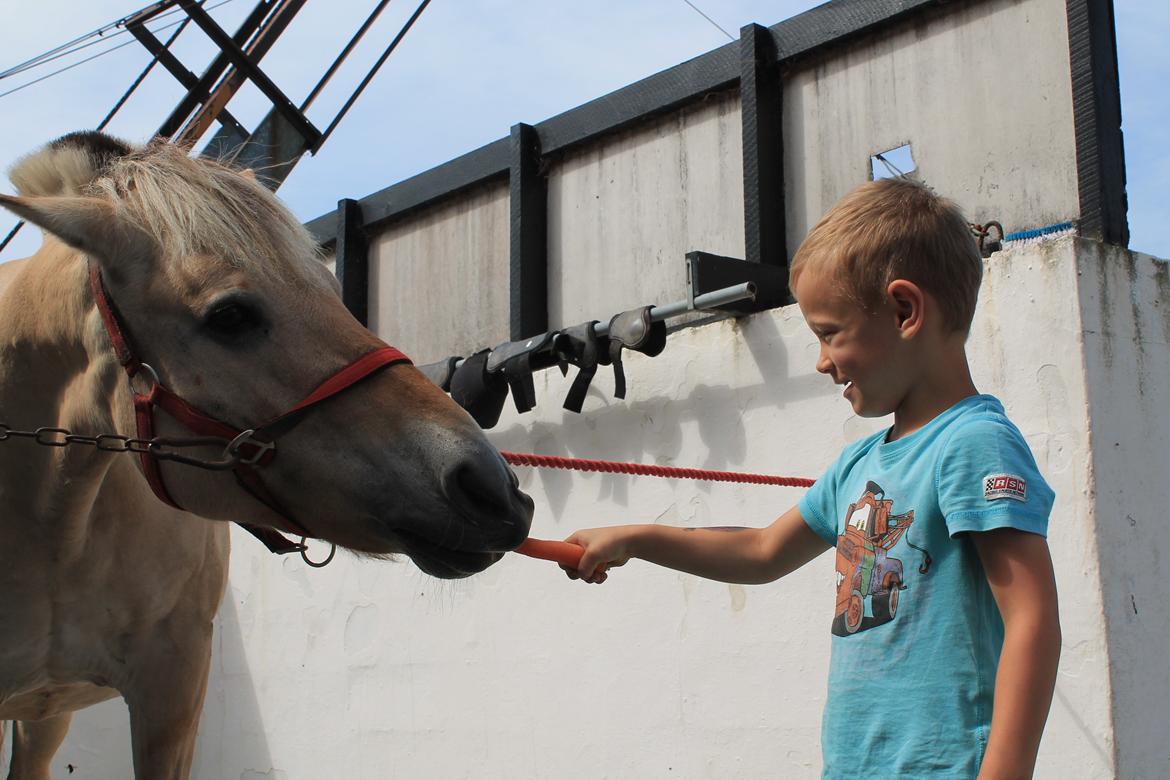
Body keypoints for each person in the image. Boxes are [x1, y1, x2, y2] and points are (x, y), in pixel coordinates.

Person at [564, 177, 1061, 779]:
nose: (821, 360)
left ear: (905, 311)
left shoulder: (972, 445)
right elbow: (762, 550)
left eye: (829, 333)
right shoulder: (859, 465)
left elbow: (1032, 619)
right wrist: (634, 539)